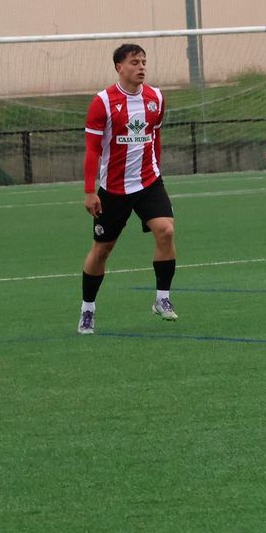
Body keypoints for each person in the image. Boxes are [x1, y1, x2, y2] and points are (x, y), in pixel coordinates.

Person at [78, 42, 179, 334]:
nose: (141, 67)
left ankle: (162, 299)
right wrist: (89, 190)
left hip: (149, 181)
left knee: (166, 230)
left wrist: (157, 168)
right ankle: (88, 309)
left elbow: (155, 136)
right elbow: (92, 150)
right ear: (119, 67)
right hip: (113, 188)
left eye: (144, 62)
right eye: (134, 62)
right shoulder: (103, 102)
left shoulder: (156, 98)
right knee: (102, 250)